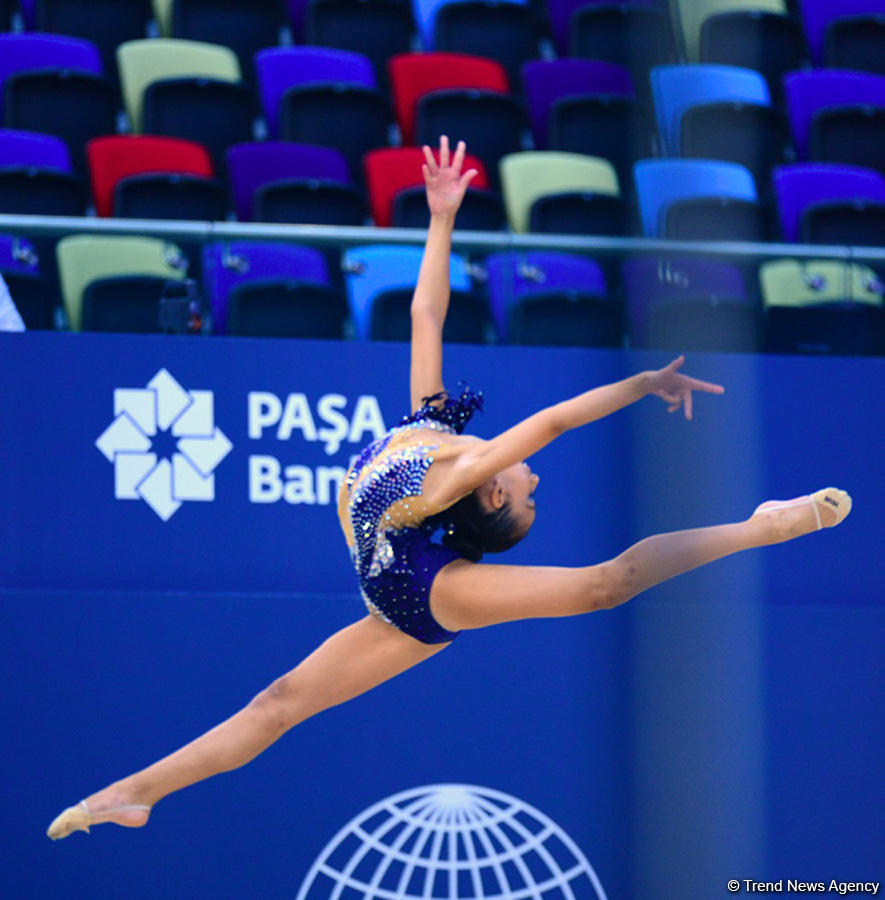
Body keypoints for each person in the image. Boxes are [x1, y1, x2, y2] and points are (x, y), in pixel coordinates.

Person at [47, 137, 851, 840]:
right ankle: (133, 793)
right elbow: (425, 312)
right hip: (388, 577)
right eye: (531, 485)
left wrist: (638, 383)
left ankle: (763, 525)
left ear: (493, 495)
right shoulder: (433, 428)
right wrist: (439, 216)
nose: (531, 476)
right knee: (278, 703)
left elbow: (552, 422)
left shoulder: (456, 474)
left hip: (415, 584)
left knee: (606, 586)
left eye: (527, 490)